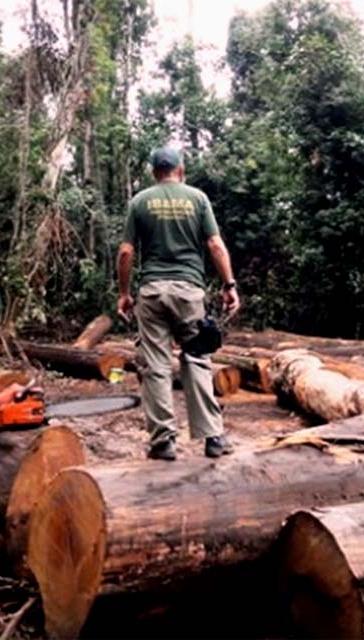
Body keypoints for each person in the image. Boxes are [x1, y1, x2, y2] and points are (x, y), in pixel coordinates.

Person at [116, 147, 241, 461]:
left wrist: (124, 293)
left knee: (155, 365)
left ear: (154, 171)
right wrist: (229, 285)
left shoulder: (140, 201)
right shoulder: (197, 199)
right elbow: (214, 244)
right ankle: (213, 438)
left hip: (152, 293)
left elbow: (126, 253)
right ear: (180, 169)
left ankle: (163, 443)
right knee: (197, 360)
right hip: (189, 292)